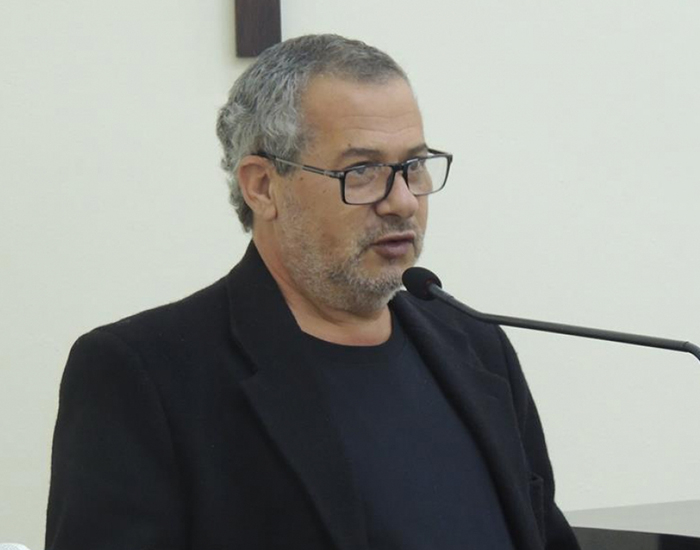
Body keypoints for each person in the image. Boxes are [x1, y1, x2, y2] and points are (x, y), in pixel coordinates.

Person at [46, 34, 580, 550]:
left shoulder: (477, 348)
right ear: (262, 186)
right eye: (363, 170)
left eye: (413, 166)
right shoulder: (145, 373)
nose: (402, 202)